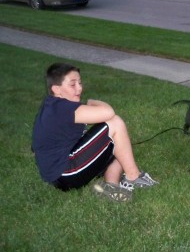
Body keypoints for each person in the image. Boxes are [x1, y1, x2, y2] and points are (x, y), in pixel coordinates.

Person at [32, 62, 158, 202]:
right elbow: (109, 112)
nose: (79, 88)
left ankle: (110, 186)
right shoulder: (61, 108)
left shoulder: (53, 106)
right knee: (115, 124)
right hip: (66, 172)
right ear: (56, 89)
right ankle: (134, 177)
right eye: (72, 84)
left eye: (80, 83)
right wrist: (91, 101)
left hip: (59, 175)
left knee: (120, 146)